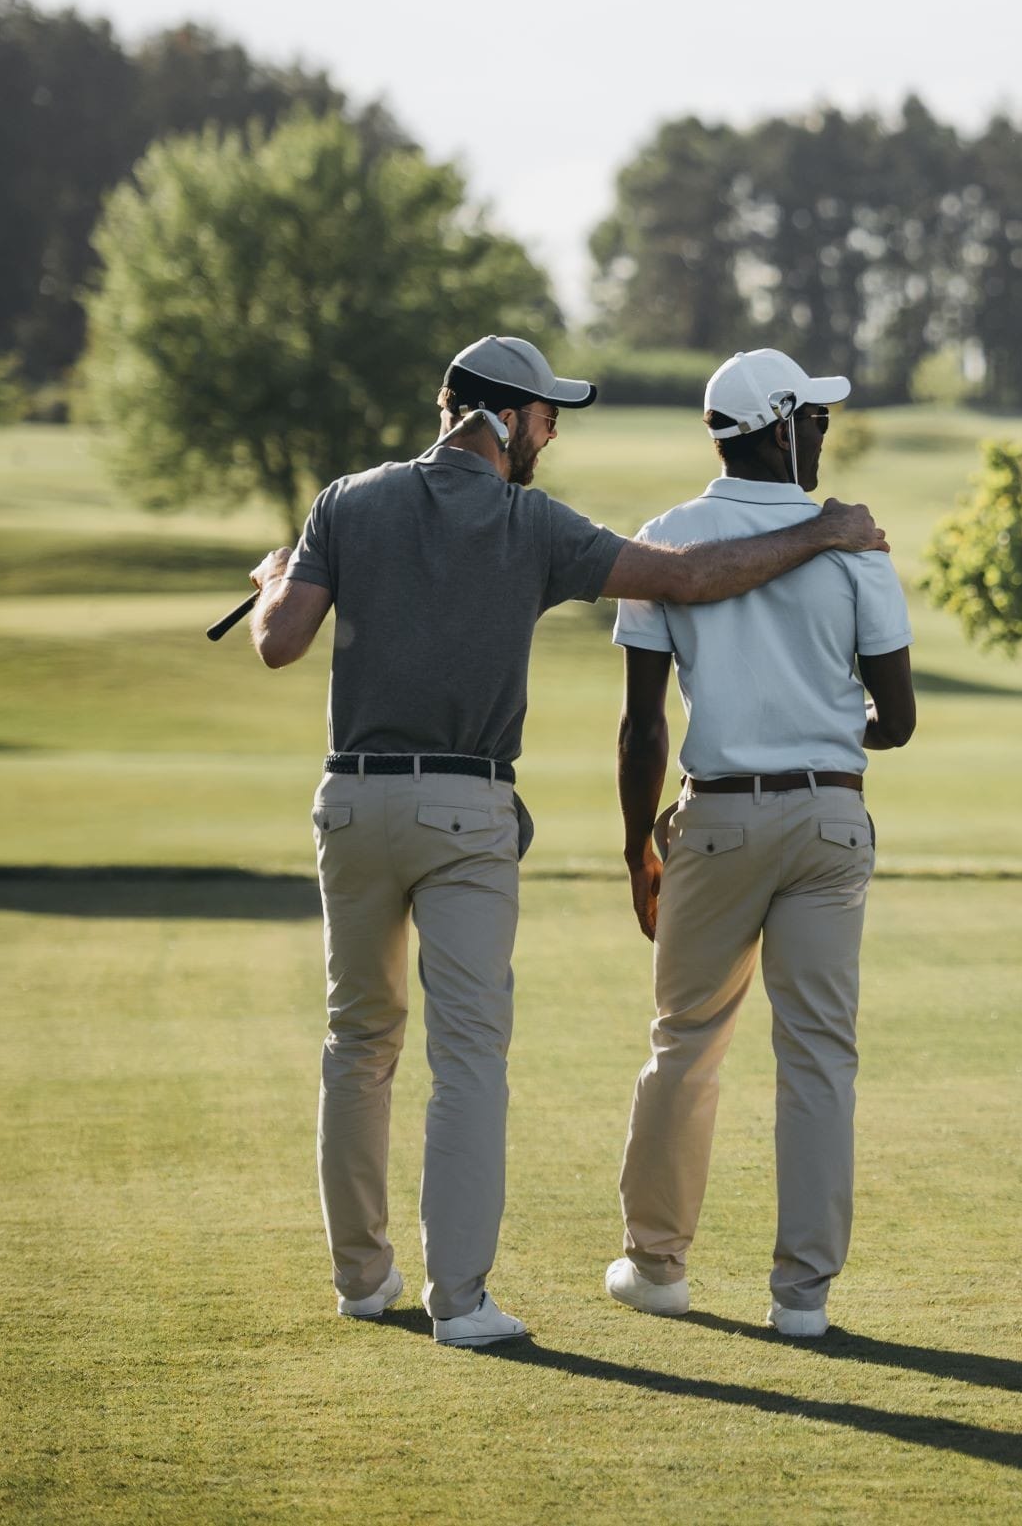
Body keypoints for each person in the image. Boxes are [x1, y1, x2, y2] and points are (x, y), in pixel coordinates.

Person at [243, 334, 888, 1347]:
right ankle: (460, 1302)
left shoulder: (344, 500)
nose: (551, 431)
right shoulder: (529, 520)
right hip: (465, 812)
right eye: (547, 415)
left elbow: (279, 638)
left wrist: (279, 573)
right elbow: (688, 577)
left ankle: (362, 1280)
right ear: (501, 418)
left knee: (357, 1040)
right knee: (466, 1060)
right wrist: (823, 532)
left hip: (351, 801)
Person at [602, 348, 913, 1337]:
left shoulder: (665, 540)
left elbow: (642, 722)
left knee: (685, 1040)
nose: (823, 432)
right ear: (779, 426)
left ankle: (656, 1267)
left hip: (716, 817)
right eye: (812, 418)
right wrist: (823, 728)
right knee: (818, 1053)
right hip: (827, 816)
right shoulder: (855, 544)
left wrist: (632, 847)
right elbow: (896, 718)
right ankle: (802, 1297)